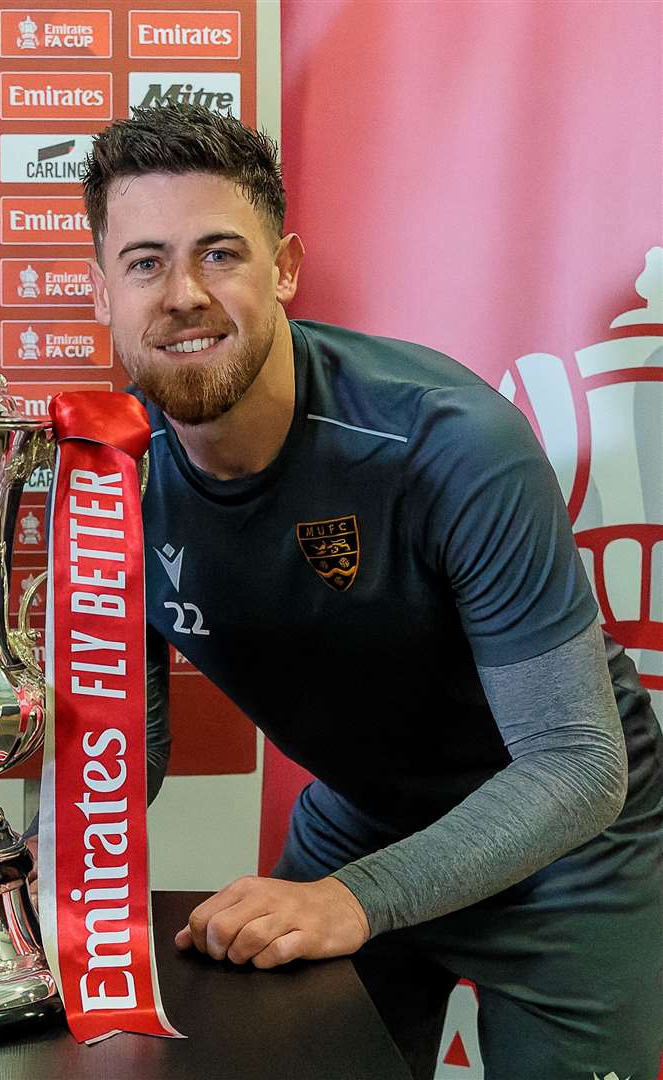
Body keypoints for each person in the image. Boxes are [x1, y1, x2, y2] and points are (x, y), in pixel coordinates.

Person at [83, 105, 663, 1079]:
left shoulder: (444, 442)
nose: (181, 294)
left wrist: (350, 901)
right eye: (143, 263)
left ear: (285, 269)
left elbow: (573, 765)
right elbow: (121, 759)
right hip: (361, 820)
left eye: (218, 253)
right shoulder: (109, 474)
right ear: (100, 291)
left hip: (565, 858)